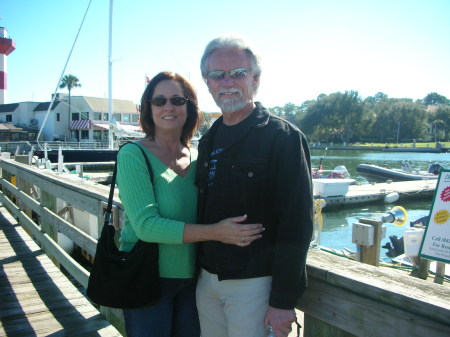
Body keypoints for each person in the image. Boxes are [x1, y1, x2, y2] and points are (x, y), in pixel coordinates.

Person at [116, 71, 264, 337]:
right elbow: (146, 227)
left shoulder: (200, 155)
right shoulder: (133, 154)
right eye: (159, 101)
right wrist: (217, 232)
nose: (168, 107)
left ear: (190, 107)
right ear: (148, 109)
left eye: (177, 100)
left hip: (196, 279)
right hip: (148, 278)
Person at [195, 35, 314, 337]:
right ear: (207, 83)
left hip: (254, 285)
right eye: (217, 75)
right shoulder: (209, 138)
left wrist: (283, 301)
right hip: (207, 281)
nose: (228, 81)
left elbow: (297, 223)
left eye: (238, 73)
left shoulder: (282, 137)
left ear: (256, 79)